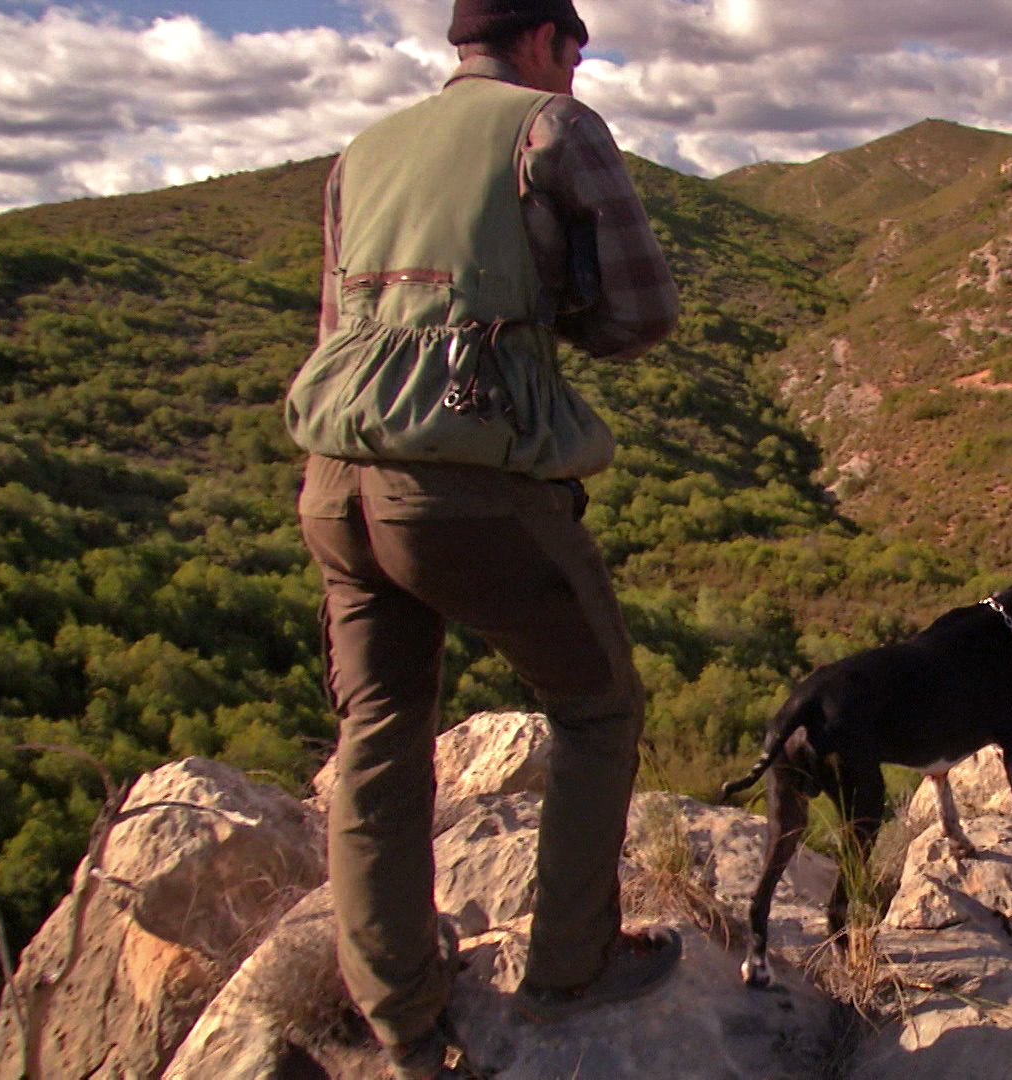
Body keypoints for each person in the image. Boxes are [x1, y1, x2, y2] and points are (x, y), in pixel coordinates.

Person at [285, 1, 682, 1074]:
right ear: (548, 40)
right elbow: (643, 313)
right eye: (579, 51)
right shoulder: (554, 128)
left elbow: (337, 333)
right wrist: (551, 314)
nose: (580, 70)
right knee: (599, 706)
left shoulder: (360, 153)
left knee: (379, 734)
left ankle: (401, 1011)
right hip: (468, 488)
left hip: (335, 485)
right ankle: (567, 967)